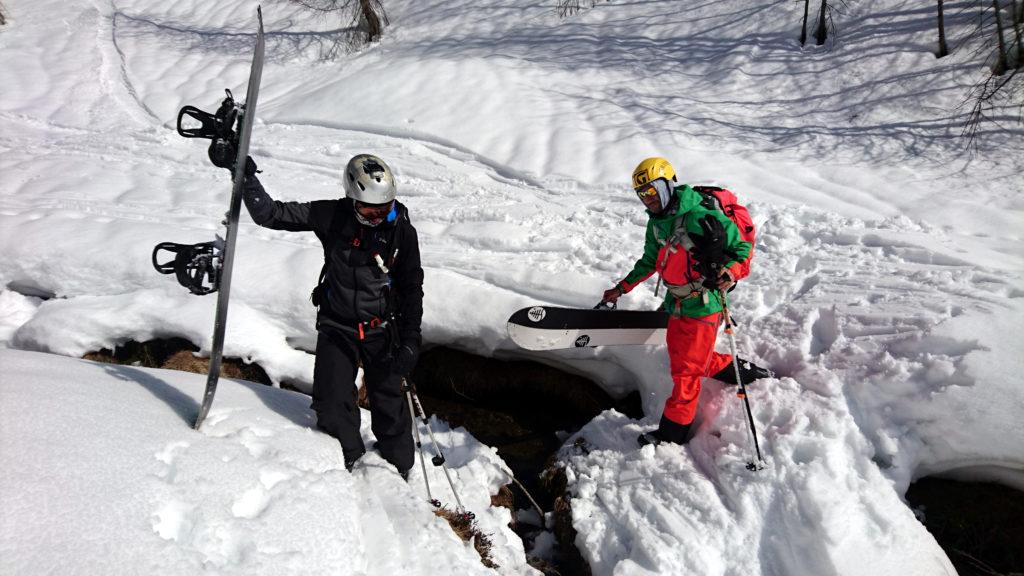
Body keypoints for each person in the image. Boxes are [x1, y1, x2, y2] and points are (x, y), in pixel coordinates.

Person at [240, 154, 423, 477]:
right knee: (331, 403)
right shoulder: (331, 215)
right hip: (338, 327)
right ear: (352, 199)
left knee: (390, 408)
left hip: (383, 330)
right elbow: (269, 214)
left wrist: (410, 342)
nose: (378, 216)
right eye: (369, 209)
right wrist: (245, 176)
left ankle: (399, 470)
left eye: (384, 208)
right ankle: (351, 461)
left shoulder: (402, 232)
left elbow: (411, 288)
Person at [600, 157, 770, 447]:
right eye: (642, 195)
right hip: (676, 303)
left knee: (686, 374)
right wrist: (621, 288)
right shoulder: (657, 223)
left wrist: (729, 272)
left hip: (703, 304)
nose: (647, 200)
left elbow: (743, 250)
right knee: (686, 359)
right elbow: (650, 261)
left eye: (651, 192)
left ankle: (671, 434)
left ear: (666, 185)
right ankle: (744, 371)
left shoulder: (699, 215)